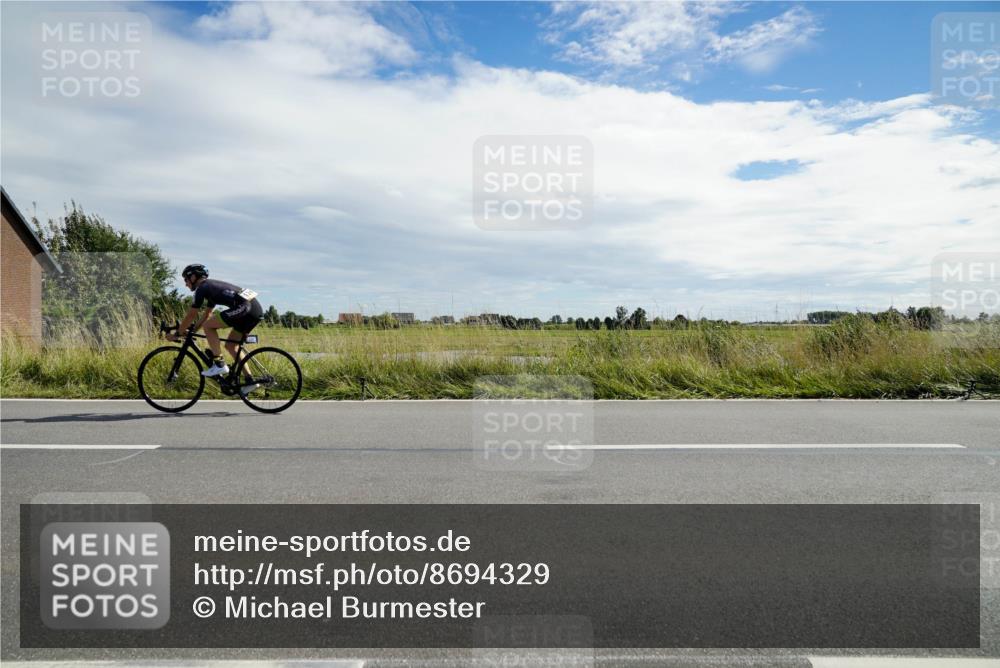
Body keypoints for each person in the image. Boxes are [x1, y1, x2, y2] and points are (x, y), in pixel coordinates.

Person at [169, 264, 263, 377]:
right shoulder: (210, 288)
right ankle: (250, 380)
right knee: (231, 346)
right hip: (254, 310)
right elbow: (207, 315)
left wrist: (178, 333)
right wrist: (193, 330)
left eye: (186, 279)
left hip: (246, 308)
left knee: (208, 326)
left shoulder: (202, 288)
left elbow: (191, 315)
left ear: (193, 277)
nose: (185, 283)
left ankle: (219, 364)